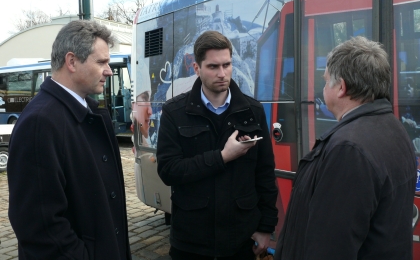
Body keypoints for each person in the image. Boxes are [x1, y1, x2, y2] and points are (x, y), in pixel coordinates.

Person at [275, 36, 417, 260]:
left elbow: (331, 246)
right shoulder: (393, 128)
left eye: (325, 81)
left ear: (341, 87)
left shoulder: (349, 150)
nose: (323, 88)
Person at [7, 20, 132, 260]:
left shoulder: (88, 112)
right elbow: (39, 227)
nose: (109, 70)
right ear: (72, 61)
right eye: (101, 62)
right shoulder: (40, 122)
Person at [156, 30, 278, 260]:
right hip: (192, 242)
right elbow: (169, 171)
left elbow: (265, 174)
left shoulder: (253, 111)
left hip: (241, 241)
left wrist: (265, 228)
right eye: (213, 67)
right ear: (197, 69)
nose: (222, 73)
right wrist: (222, 157)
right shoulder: (174, 112)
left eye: (227, 65)